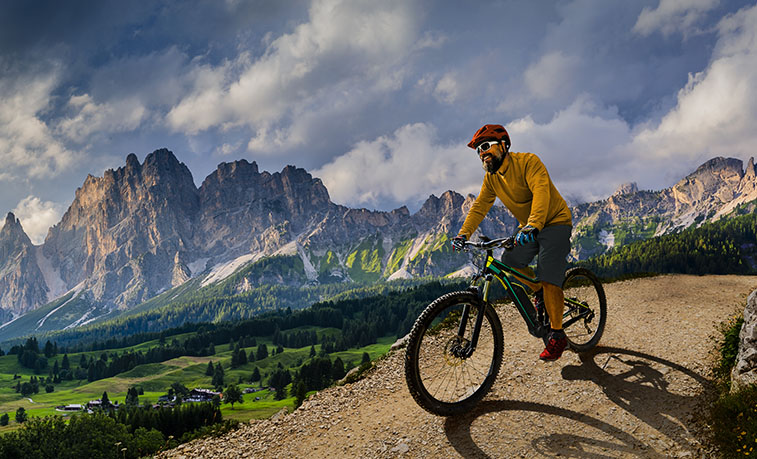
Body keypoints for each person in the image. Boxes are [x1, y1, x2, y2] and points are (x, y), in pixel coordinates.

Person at [452, 124, 573, 361]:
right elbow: (479, 206)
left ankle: (558, 336)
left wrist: (534, 224)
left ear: (504, 145)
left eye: (486, 146)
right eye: (478, 150)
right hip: (529, 227)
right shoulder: (492, 178)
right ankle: (538, 292)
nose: (482, 153)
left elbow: (541, 192)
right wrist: (463, 234)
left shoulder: (529, 162)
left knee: (548, 274)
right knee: (509, 261)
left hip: (554, 222)